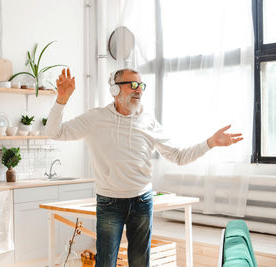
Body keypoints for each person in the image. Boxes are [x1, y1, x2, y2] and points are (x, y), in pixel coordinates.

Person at [45, 68, 243, 267]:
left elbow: (179, 157)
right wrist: (62, 99)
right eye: (132, 85)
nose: (138, 90)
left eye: (141, 85)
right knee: (105, 262)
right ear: (114, 90)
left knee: (140, 263)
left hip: (142, 202)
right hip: (109, 203)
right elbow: (54, 132)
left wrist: (210, 142)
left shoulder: (148, 121)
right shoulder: (95, 118)